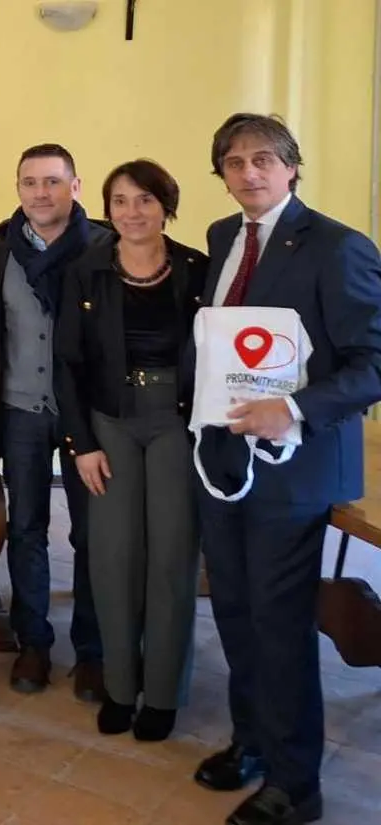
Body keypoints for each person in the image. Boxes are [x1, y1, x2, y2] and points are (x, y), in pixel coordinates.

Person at [188, 113, 381, 825]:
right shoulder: (221, 238)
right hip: (225, 459)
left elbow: (375, 362)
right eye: (234, 162)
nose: (249, 173)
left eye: (264, 159)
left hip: (296, 470)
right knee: (235, 611)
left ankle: (296, 785)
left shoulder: (338, 247)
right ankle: (254, 741)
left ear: (292, 166)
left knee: (279, 623)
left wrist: (294, 410)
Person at [54, 159, 208, 742]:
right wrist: (82, 445)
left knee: (171, 559)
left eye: (145, 200)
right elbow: (67, 365)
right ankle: (121, 688)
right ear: (106, 208)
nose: (132, 212)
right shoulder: (86, 270)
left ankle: (163, 695)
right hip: (109, 423)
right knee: (113, 558)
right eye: (119, 201)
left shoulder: (198, 268)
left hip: (177, 423)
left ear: (165, 205)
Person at [0, 143, 111, 700]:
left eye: (53, 182)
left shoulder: (106, 246)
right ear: (18, 188)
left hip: (88, 415)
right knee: (25, 527)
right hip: (20, 409)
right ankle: (34, 643)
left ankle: (94, 650)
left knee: (92, 534)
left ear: (76, 187)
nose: (41, 193)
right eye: (30, 182)